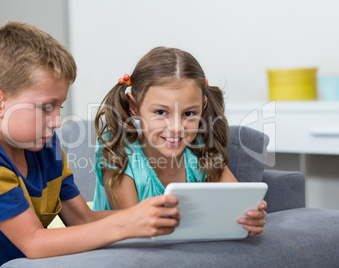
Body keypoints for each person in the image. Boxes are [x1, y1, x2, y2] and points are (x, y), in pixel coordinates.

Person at [0, 22, 180, 267]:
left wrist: (153, 217)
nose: (57, 122)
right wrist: (127, 224)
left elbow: (82, 219)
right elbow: (34, 243)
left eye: (59, 106)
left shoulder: (45, 146)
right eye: (46, 107)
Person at [92, 46, 267, 237]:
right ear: (133, 106)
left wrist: (248, 219)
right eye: (161, 112)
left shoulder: (201, 149)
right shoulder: (119, 151)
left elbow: (237, 204)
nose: (176, 127)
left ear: (203, 106)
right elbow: (133, 226)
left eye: (189, 114)